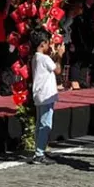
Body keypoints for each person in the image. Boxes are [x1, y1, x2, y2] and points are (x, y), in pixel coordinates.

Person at [29, 31, 64, 165]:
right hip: (46, 95)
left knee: (40, 123)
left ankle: (39, 149)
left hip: (39, 94)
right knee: (45, 124)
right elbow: (58, 70)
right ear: (43, 44)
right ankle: (39, 153)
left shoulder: (36, 57)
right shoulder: (44, 58)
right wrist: (60, 56)